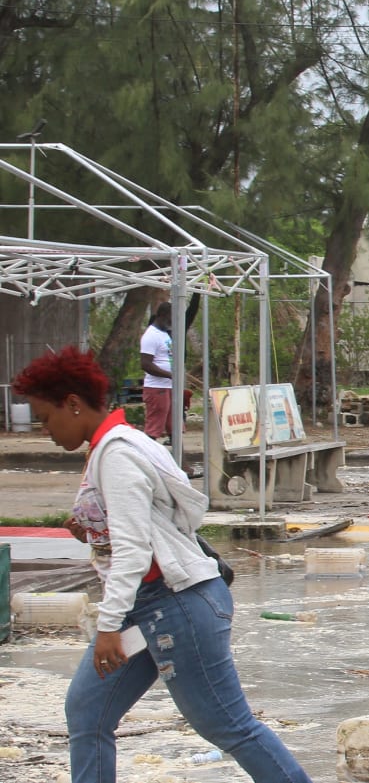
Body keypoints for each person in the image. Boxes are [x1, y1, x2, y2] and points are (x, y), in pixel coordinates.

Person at [12, 346, 311, 783]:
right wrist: (95, 531)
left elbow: (135, 551)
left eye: (45, 416)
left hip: (175, 607)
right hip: (148, 606)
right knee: (87, 711)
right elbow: (150, 525)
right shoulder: (123, 442)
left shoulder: (116, 453)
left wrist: (108, 626)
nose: (44, 430)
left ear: (72, 404)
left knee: (225, 723)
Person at [139, 303, 177, 443]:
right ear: (163, 316)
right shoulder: (151, 335)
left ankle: (182, 464)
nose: (173, 322)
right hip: (157, 387)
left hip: (169, 386)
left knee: (175, 427)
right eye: (171, 318)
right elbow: (146, 364)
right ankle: (147, 459)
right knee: (154, 429)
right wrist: (169, 374)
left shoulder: (165, 334)